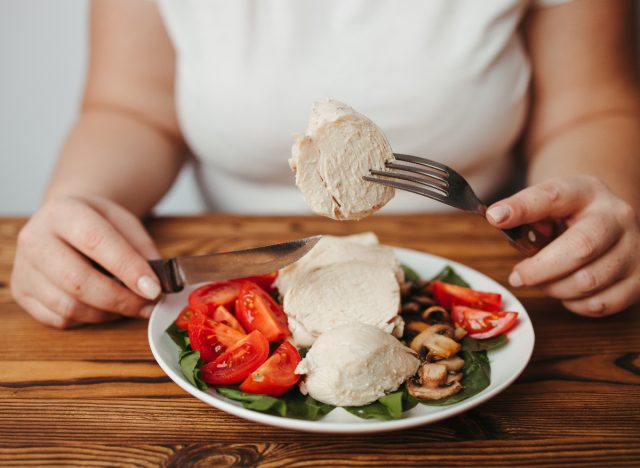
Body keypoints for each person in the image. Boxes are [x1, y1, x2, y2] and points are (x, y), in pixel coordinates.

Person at [10, 0, 640, 328]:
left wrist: (594, 207)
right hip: (244, 262)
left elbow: (589, 106)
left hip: (485, 260)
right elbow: (131, 108)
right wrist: (81, 202)